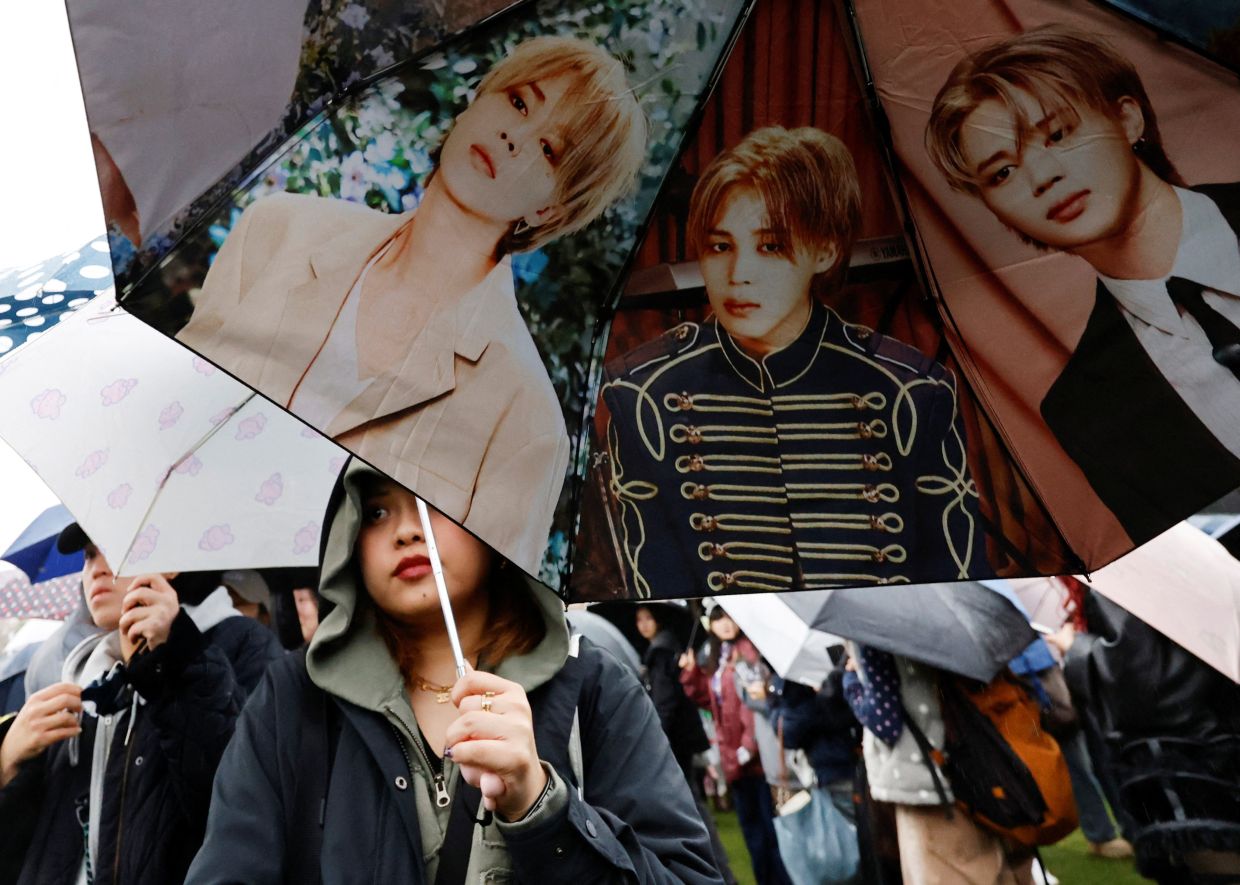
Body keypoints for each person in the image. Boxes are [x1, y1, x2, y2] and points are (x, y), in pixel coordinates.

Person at [177, 35, 648, 575]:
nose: (514, 136)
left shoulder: (524, 420)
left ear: (550, 208)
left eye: (549, 150)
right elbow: (177, 419)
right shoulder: (279, 231)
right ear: (481, 96)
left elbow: (473, 620)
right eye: (519, 102)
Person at [185, 460, 722, 883]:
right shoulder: (292, 698)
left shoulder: (594, 690)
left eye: (433, 500)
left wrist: (544, 808)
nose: (405, 531)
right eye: (376, 511)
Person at [602, 125, 984, 600]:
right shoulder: (643, 394)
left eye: (771, 246)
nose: (738, 275)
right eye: (720, 247)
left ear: (825, 250)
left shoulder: (911, 390)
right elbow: (656, 575)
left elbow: (955, 579)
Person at [925, 25, 1240, 543]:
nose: (1041, 176)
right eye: (1002, 173)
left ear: (1127, 117)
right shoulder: (1085, 412)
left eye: (1057, 135)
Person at [0, 523, 281, 885]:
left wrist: (177, 656)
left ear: (169, 564)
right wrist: (7, 761)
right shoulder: (77, 672)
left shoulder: (243, 644)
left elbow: (241, 804)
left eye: (113, 547)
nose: (95, 569)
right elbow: (26, 845)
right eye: (88, 556)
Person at [1048, 588, 1240, 882]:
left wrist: (1075, 648)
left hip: (1193, 760)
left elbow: (1141, 679)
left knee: (1215, 867)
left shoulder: (1125, 576)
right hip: (1208, 745)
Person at [842, 644, 1034, 884]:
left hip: (925, 780)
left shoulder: (873, 632)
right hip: (979, 765)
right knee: (994, 867)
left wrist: (851, 682)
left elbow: (885, 723)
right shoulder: (946, 621)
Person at [681, 608, 791, 885]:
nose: (725, 624)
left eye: (729, 617)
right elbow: (710, 701)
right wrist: (691, 674)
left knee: (770, 828)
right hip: (732, 758)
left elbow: (751, 704)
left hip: (754, 758)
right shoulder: (717, 656)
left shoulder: (748, 651)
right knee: (752, 829)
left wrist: (747, 745)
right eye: (718, 619)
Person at [635, 604, 739, 885]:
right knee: (693, 806)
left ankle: (719, 873)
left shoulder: (660, 650)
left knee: (692, 809)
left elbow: (665, 703)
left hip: (673, 742)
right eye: (639, 620)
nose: (643, 624)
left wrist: (655, 738)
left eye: (648, 618)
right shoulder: (667, 646)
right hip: (681, 740)